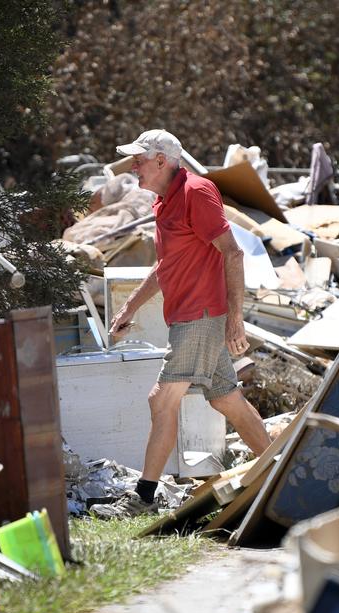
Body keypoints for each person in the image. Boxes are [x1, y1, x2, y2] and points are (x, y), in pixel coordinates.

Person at [91, 130, 271, 518]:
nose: (133, 167)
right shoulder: (163, 202)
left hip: (200, 317)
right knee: (227, 400)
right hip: (189, 318)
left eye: (139, 160)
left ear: (162, 161)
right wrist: (128, 310)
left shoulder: (196, 193)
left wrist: (235, 317)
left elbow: (233, 252)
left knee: (161, 399)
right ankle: (278, 468)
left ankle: (142, 498)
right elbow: (165, 266)